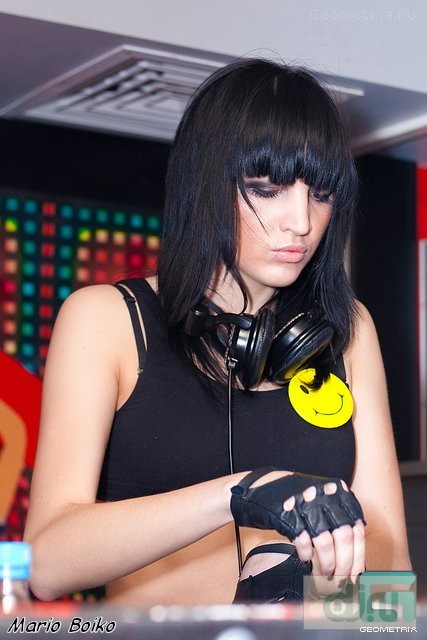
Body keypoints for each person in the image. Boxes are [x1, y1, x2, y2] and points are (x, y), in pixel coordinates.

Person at [24, 58, 411, 606]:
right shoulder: (104, 319)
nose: (300, 222)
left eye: (321, 194)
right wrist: (240, 494)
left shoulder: (349, 329)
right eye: (267, 189)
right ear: (205, 186)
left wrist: (291, 589)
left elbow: (391, 589)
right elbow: (45, 564)